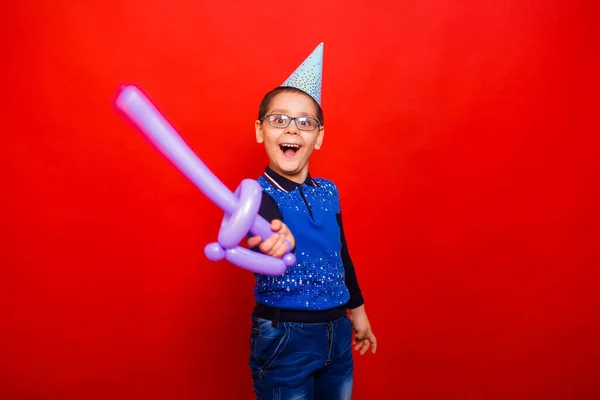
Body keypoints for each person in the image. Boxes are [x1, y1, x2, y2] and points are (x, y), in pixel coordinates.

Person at [246, 43, 377, 400]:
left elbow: (341, 253)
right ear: (261, 131)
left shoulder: (329, 191)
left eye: (305, 123)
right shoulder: (256, 195)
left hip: (337, 329)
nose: (292, 130)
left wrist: (358, 312)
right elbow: (262, 225)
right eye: (279, 120)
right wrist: (272, 236)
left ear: (318, 137)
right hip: (285, 337)